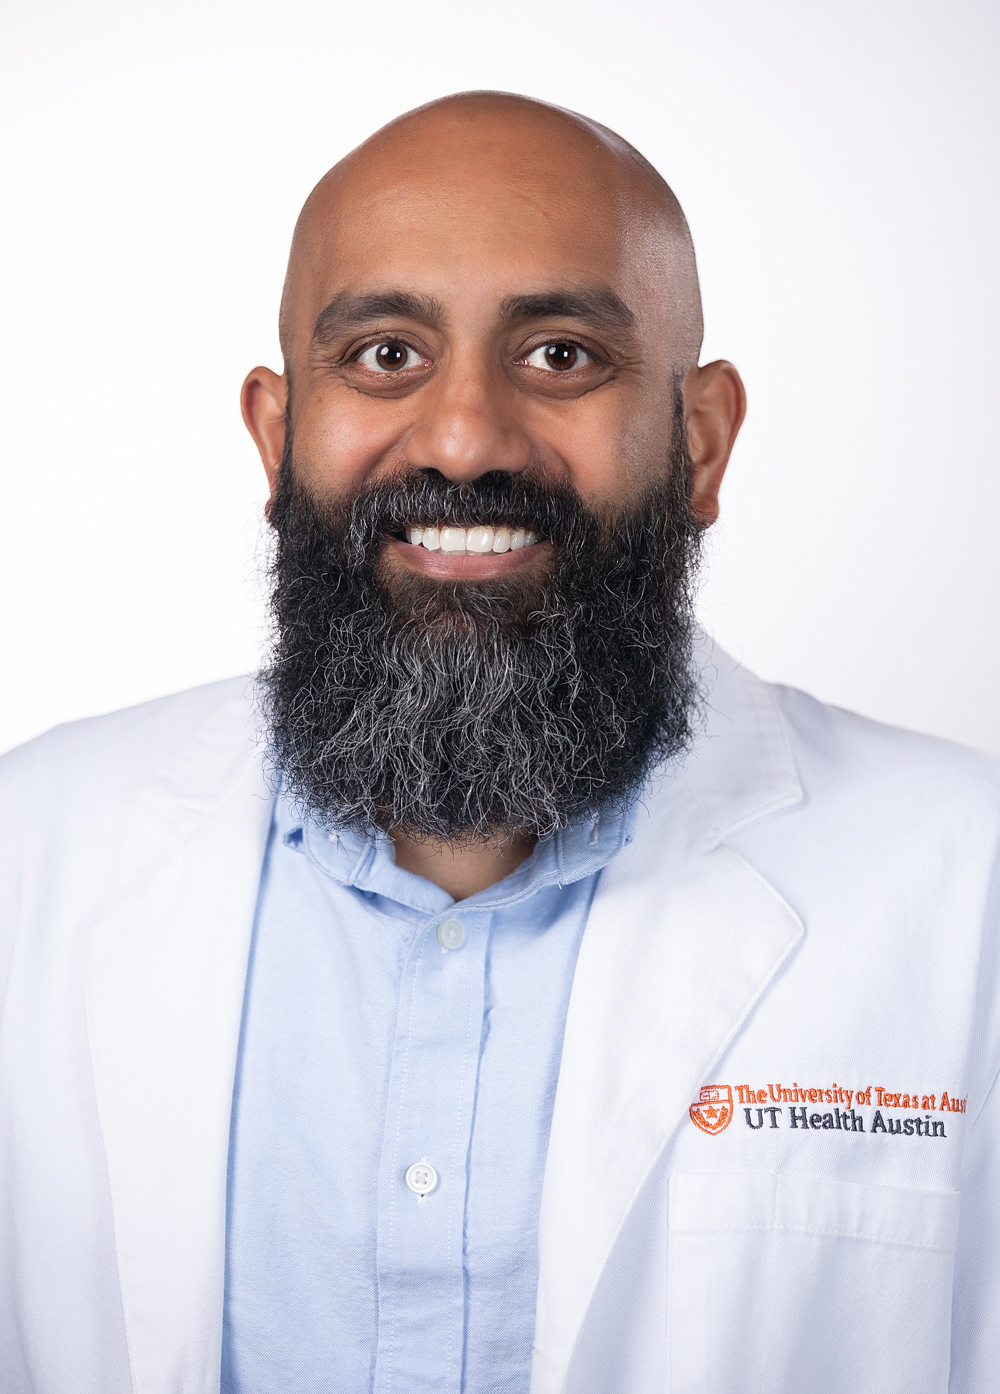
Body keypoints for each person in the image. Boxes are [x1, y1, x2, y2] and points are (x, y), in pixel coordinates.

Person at [1, 91, 998, 1394]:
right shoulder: (31, 854)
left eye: (562, 355)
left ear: (699, 444)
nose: (465, 437)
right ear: (276, 429)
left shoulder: (966, 883)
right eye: (385, 355)